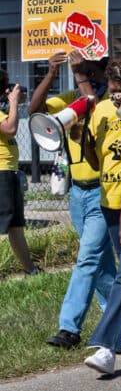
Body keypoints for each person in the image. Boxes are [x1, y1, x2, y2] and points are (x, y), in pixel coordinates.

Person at [28, 51, 116, 349]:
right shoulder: (70, 97)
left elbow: (94, 104)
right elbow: (35, 110)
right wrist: (51, 73)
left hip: (102, 191)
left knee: (88, 258)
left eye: (89, 69)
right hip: (77, 193)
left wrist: (80, 75)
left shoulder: (108, 101)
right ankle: (117, 318)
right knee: (100, 264)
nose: (83, 74)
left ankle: (69, 328)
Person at [80, 55, 121, 374]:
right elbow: (96, 161)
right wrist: (82, 137)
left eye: (119, 88)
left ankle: (106, 348)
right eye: (110, 86)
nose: (112, 93)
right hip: (110, 200)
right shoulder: (103, 110)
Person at [0, 71, 39, 275]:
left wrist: (14, 101)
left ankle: (30, 269)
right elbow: (10, 128)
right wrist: (13, 101)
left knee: (15, 226)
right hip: (1, 173)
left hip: (9, 172)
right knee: (3, 224)